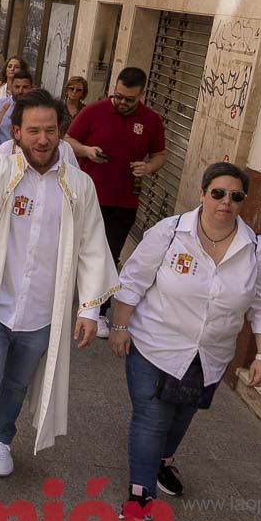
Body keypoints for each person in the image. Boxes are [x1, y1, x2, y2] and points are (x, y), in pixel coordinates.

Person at [0, 84, 119, 509]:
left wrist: (90, 307)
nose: (42, 139)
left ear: (60, 132)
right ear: (16, 132)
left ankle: (3, 437)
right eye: (32, 130)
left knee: (16, 387)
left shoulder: (78, 186)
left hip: (41, 313)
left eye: (50, 130)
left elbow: (92, 245)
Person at [108, 162, 261, 518]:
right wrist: (120, 327)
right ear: (202, 194)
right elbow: (133, 280)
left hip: (210, 355)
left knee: (181, 417)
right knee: (152, 417)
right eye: (217, 193)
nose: (225, 202)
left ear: (243, 202)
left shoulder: (255, 249)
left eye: (235, 197)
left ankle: (161, 460)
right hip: (154, 344)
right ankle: (140, 494)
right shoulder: (170, 233)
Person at [66, 67, 167, 337]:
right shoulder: (93, 111)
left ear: (141, 94)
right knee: (73, 248)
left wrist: (148, 167)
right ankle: (62, 300)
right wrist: (87, 150)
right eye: (118, 96)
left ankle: (98, 311)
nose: (122, 102)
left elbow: (160, 154)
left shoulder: (151, 120)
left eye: (129, 99)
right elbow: (68, 140)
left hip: (124, 201)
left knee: (109, 253)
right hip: (87, 197)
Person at [0, 68, 33, 154]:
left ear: (31, 88)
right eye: (17, 87)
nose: (20, 91)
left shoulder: (36, 111)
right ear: (11, 87)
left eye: (25, 87)